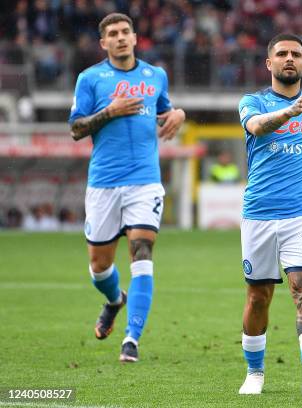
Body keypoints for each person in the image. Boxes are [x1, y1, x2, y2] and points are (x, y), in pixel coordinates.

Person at [68, 13, 186, 363]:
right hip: (103, 183)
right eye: (113, 34)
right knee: (99, 267)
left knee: (142, 255)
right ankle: (113, 300)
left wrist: (178, 113)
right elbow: (76, 129)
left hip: (145, 183)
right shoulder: (90, 79)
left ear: (135, 38)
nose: (120, 38)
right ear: (103, 43)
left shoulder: (155, 76)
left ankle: (131, 340)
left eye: (125, 32)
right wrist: (110, 111)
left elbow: (165, 111)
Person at [237, 33, 302, 399]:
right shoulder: (253, 102)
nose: (289, 59)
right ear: (269, 63)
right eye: (281, 54)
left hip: (301, 216)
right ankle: (255, 373)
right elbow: (256, 127)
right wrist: (290, 111)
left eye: (296, 54)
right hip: (259, 215)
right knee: (258, 297)